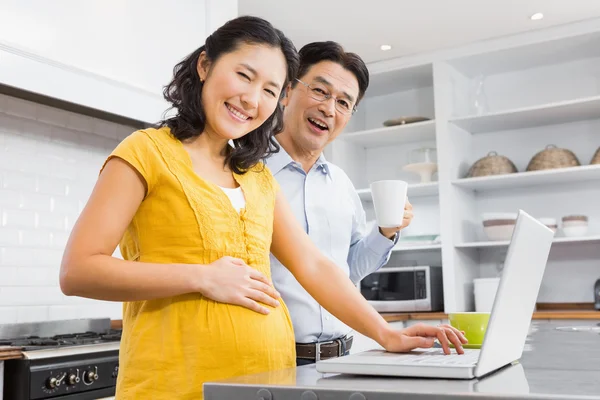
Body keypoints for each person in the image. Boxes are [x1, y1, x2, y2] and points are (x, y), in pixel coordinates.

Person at [59, 16, 467, 400]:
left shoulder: (256, 176)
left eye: (270, 90)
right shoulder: (145, 152)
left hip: (268, 380)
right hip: (177, 382)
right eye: (244, 75)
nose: (252, 99)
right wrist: (202, 277)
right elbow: (78, 271)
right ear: (205, 65)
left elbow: (315, 266)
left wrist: (386, 333)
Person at [266, 41, 414, 366]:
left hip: (341, 359)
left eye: (344, 102)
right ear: (287, 90)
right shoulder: (247, 173)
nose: (330, 109)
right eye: (320, 91)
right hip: (272, 360)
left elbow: (347, 271)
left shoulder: (341, 184)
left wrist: (386, 232)